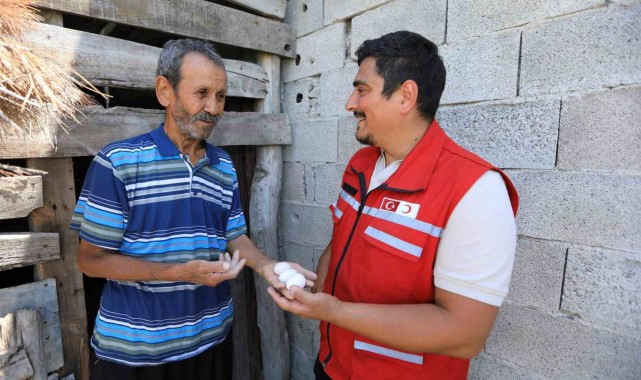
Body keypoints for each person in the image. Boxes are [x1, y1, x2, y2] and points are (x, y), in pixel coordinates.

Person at [268, 31, 519, 379]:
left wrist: (334, 311)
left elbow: (465, 335)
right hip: (331, 365)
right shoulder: (360, 166)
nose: (349, 103)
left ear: (405, 96)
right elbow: (341, 241)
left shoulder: (475, 190)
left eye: (362, 89)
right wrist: (312, 292)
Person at [70, 39, 315, 379]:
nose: (213, 108)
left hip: (211, 340)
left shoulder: (223, 166)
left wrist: (266, 266)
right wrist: (178, 272)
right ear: (164, 91)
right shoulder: (118, 163)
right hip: (136, 353)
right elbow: (90, 260)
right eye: (201, 93)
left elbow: (236, 236)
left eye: (220, 96)